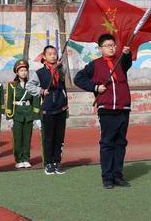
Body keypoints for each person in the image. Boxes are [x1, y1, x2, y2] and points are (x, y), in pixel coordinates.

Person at [74, 33, 132, 189]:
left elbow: (127, 62)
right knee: (107, 143)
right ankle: (107, 177)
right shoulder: (95, 65)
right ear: (100, 48)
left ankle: (118, 175)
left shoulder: (120, 61)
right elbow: (78, 78)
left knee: (121, 143)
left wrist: (127, 53)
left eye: (113, 45)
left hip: (123, 108)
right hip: (106, 109)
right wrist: (95, 87)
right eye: (107, 46)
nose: (111, 48)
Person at [26, 45, 68, 175]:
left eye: (55, 53)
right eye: (50, 54)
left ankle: (57, 161)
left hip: (61, 107)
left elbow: (63, 74)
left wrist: (58, 67)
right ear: (44, 56)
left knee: (59, 137)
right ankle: (48, 163)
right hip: (48, 109)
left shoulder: (61, 69)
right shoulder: (39, 73)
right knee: (48, 137)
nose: (53, 56)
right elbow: (29, 85)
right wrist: (42, 91)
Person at [5, 59, 41, 169]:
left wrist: (36, 116)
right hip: (17, 113)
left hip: (28, 113)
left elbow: (36, 99)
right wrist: (9, 117)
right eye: (21, 70)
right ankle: (19, 159)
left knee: (27, 138)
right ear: (17, 72)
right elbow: (9, 101)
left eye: (25, 70)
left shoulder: (31, 84)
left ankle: (26, 158)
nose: (24, 72)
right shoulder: (12, 85)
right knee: (18, 138)